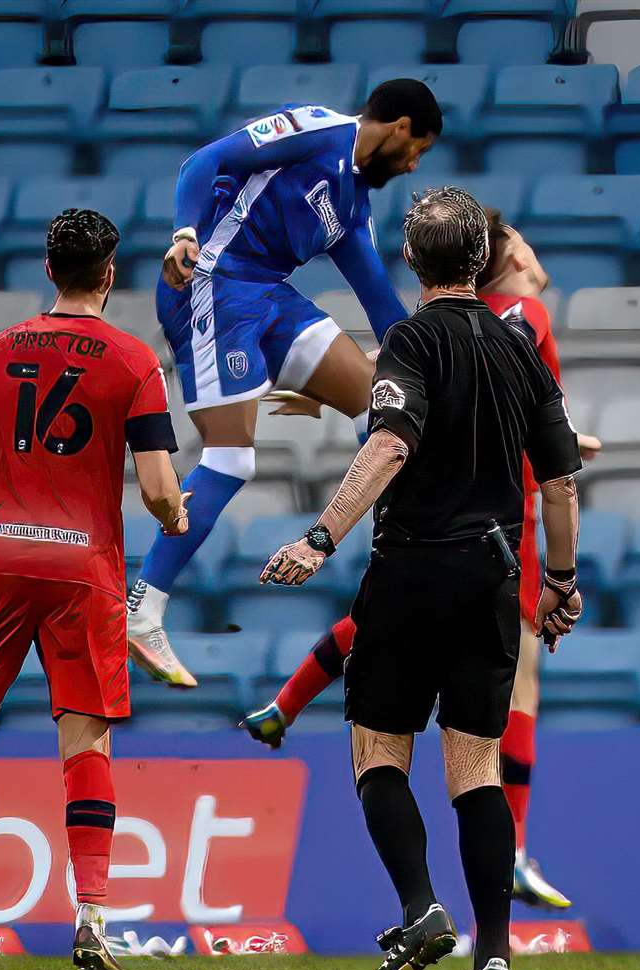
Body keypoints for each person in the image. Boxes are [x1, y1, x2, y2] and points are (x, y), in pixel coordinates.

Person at [256, 187, 583, 970]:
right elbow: (560, 483)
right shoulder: (520, 349)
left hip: (409, 572)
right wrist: (561, 584)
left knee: (378, 753)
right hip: (492, 578)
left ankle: (419, 907)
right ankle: (497, 957)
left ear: (411, 259)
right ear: (482, 259)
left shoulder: (409, 339)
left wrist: (320, 536)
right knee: (474, 765)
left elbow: (390, 444)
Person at [0, 209, 190, 970]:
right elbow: (154, 490)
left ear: (48, 269)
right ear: (109, 274)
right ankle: (89, 922)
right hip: (85, 573)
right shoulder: (133, 362)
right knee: (86, 743)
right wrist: (178, 514)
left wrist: (11, 528)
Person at [128, 79, 442, 688]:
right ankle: (144, 608)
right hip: (213, 284)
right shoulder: (316, 128)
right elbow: (205, 161)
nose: (412, 165)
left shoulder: (352, 207)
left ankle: (408, 549)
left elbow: (379, 300)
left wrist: (437, 358)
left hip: (269, 295)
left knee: (383, 399)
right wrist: (184, 233)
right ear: (401, 128)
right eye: (419, 150)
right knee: (231, 457)